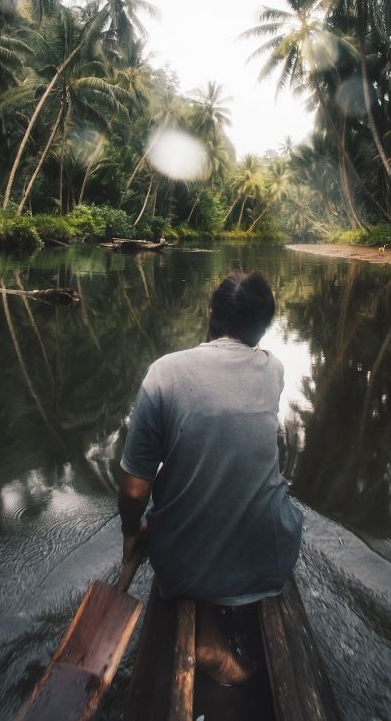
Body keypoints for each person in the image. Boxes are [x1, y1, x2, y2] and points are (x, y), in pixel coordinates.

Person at [117, 270, 303, 684]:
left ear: (209, 312)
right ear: (263, 328)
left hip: (184, 563)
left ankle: (209, 639)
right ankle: (220, 624)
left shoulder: (164, 373)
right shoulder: (273, 370)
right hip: (272, 555)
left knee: (186, 526)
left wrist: (133, 532)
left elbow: (134, 489)